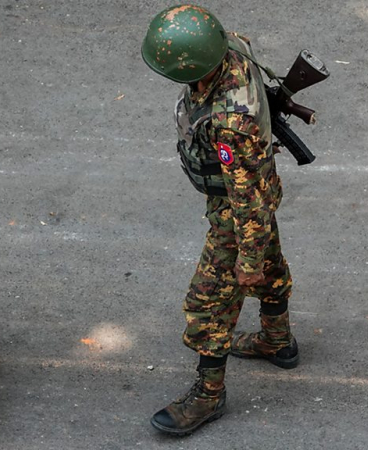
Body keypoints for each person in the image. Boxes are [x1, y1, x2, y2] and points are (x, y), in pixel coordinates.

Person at [141, 5, 300, 435]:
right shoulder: (228, 45)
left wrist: (245, 260)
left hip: (239, 209)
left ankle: (208, 396)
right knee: (269, 258)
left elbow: (247, 204)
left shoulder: (232, 124)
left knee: (208, 303)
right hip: (255, 187)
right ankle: (277, 340)